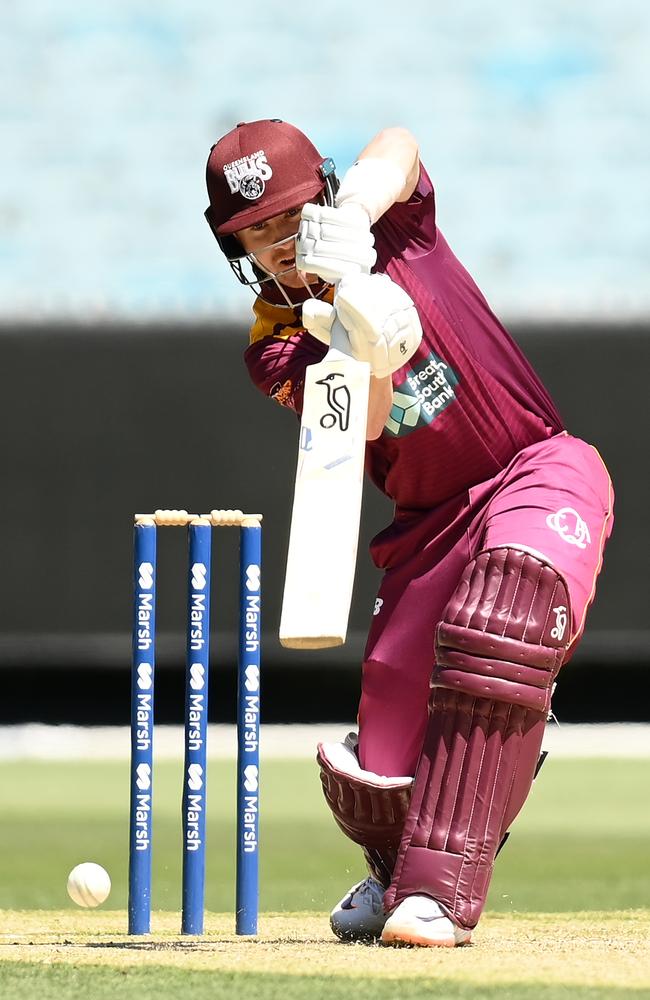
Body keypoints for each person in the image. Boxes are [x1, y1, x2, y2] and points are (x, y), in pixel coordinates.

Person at [204, 119, 614, 947]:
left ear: (321, 187)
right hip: (427, 527)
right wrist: (365, 337)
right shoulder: (276, 343)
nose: (282, 244)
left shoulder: (395, 228)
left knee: (508, 608)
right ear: (236, 244)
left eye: (291, 217)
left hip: (534, 464)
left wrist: (354, 213)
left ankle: (441, 893)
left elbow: (399, 143)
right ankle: (398, 867)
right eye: (258, 232)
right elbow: (376, 418)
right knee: (381, 775)